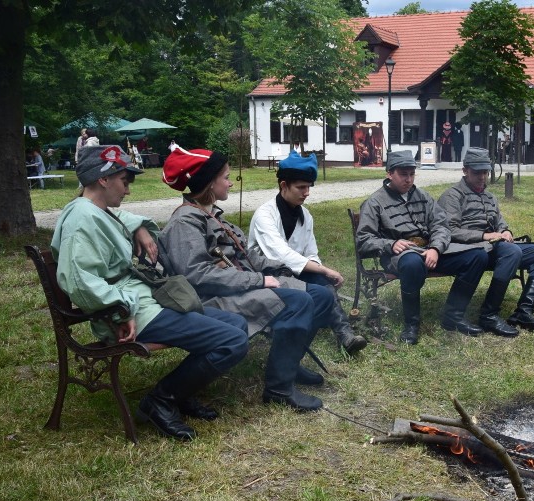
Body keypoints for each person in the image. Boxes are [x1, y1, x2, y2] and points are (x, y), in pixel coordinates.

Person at [51, 145, 249, 440]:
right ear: (103, 180)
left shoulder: (91, 210)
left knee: (236, 324)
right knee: (232, 340)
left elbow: (118, 220)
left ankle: (181, 393)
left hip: (142, 301)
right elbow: (78, 280)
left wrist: (139, 229)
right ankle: (161, 399)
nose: (128, 191)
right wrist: (121, 309)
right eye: (124, 181)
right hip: (130, 314)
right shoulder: (81, 221)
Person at [158, 147, 335, 412]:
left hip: (239, 286)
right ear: (209, 183)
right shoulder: (185, 222)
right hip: (215, 298)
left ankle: (288, 362)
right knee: (299, 302)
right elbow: (197, 276)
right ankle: (279, 388)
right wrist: (258, 281)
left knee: (321, 296)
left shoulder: (211, 215)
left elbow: (248, 256)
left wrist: (282, 268)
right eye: (226, 177)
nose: (230, 182)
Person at [356, 150, 488, 345]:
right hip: (399, 255)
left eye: (412, 174)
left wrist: (435, 248)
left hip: (430, 252)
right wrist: (390, 243)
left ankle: (453, 315)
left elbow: (441, 226)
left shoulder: (423, 197)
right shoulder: (375, 202)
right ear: (389, 173)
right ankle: (412, 324)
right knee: (411, 263)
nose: (408, 180)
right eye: (403, 174)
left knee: (478, 256)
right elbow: (363, 239)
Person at [248, 150, 367, 355]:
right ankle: (295, 339)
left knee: (325, 285)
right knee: (322, 281)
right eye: (301, 187)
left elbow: (311, 252)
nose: (307, 193)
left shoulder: (306, 216)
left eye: (308, 187)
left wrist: (320, 271)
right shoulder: (265, 215)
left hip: (295, 271)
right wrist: (325, 270)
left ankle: (345, 334)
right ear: (283, 185)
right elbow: (280, 255)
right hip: (267, 275)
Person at [438, 147, 534, 337]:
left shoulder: (489, 196)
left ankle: (524, 312)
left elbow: (499, 221)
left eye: (485, 172)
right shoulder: (452, 196)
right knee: (512, 252)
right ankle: (489, 315)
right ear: (465, 170)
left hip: (494, 249)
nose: (482, 177)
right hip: (469, 251)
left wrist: (505, 230)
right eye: (477, 172)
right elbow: (449, 230)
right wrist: (485, 236)